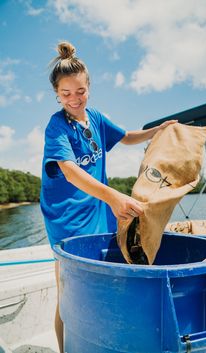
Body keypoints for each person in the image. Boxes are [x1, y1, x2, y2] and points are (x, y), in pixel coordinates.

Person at [40, 41, 177, 353]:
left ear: (89, 88)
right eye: (66, 93)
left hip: (96, 207)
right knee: (69, 290)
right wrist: (115, 197)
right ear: (56, 95)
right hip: (66, 216)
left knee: (99, 280)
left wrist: (158, 130)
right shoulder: (56, 126)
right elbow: (70, 171)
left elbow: (127, 137)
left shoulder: (97, 118)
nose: (74, 99)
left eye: (80, 91)